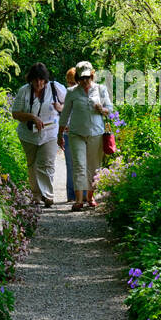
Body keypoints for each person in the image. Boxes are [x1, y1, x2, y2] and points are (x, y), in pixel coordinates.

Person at [57, 60, 112, 210]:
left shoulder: (100, 89)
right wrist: (60, 133)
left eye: (87, 77)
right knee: (79, 165)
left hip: (96, 132)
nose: (85, 81)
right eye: (81, 78)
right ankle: (78, 200)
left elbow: (110, 109)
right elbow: (65, 113)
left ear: (92, 75)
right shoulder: (72, 92)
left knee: (94, 166)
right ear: (77, 79)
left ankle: (90, 196)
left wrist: (102, 109)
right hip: (76, 133)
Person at [11, 63, 64, 206]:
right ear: (30, 79)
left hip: (50, 133)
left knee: (46, 163)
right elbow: (15, 113)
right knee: (32, 164)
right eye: (35, 80)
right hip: (28, 135)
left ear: (45, 79)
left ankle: (48, 195)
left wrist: (61, 108)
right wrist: (32, 117)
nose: (38, 83)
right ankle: (36, 196)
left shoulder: (55, 88)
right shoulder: (24, 91)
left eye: (41, 79)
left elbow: (69, 105)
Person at [61, 66, 77, 203]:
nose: (71, 85)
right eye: (69, 82)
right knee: (71, 164)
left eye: (73, 82)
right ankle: (72, 195)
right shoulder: (69, 92)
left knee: (78, 164)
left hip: (79, 131)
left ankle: (80, 194)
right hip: (69, 132)